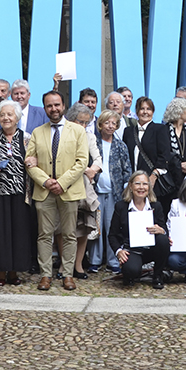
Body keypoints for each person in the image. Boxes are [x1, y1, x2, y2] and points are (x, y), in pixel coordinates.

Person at [25, 90, 89, 291]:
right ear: (45, 108)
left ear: (63, 106)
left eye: (57, 105)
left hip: (68, 190)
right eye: (49, 106)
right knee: (44, 234)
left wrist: (62, 182)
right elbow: (29, 162)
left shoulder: (78, 131)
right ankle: (45, 275)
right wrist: (46, 182)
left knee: (69, 234)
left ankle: (67, 274)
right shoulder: (37, 132)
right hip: (44, 191)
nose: (53, 109)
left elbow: (82, 162)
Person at [0, 99, 33, 286]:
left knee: (18, 232)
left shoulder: (27, 138)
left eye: (10, 114)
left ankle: (14, 271)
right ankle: (0, 271)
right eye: (2, 115)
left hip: (21, 193)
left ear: (17, 118)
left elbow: (34, 160)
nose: (6, 118)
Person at [108, 171, 169, 289]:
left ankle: (157, 275)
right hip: (132, 250)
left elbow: (165, 229)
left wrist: (161, 230)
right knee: (131, 271)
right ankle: (129, 273)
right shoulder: (121, 207)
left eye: (145, 184)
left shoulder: (156, 206)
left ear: (149, 187)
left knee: (163, 240)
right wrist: (118, 251)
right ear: (130, 186)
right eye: (137, 184)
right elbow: (112, 235)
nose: (141, 187)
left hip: (151, 249)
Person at [92, 109, 130, 274]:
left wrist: (125, 188)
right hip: (96, 192)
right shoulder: (93, 144)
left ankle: (113, 260)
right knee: (96, 228)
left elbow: (127, 169)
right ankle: (94, 260)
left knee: (112, 227)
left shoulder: (121, 145)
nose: (110, 126)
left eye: (113, 123)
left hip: (115, 193)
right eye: (106, 122)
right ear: (100, 125)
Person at [140, 97, 186, 210]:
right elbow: (164, 154)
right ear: (179, 112)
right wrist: (179, 165)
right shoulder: (163, 130)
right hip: (170, 181)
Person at [69, 102, 102, 280]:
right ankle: (65, 266)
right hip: (66, 186)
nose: (82, 125)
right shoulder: (63, 135)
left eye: (85, 122)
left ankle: (78, 266)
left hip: (85, 188)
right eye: (79, 121)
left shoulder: (90, 137)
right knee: (65, 227)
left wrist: (93, 169)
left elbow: (97, 158)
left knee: (82, 227)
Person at [122, 96, 155, 170]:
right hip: (132, 177)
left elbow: (164, 156)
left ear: (152, 112)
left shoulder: (160, 130)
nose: (145, 112)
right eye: (142, 109)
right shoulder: (128, 131)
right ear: (137, 112)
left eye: (148, 109)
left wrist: (154, 176)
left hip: (152, 178)